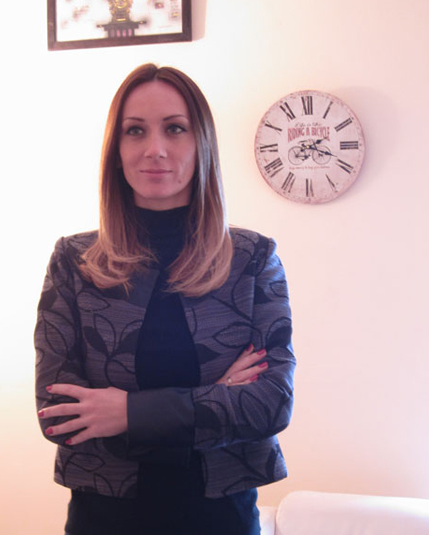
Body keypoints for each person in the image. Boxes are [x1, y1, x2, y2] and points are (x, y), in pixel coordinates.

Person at [34, 64, 296, 535]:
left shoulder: (252, 259)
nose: (155, 148)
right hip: (103, 520)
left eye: (175, 128)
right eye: (135, 131)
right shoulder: (74, 261)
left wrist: (126, 412)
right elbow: (60, 417)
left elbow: (270, 403)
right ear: (116, 151)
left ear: (202, 145)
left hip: (220, 520)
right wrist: (215, 397)